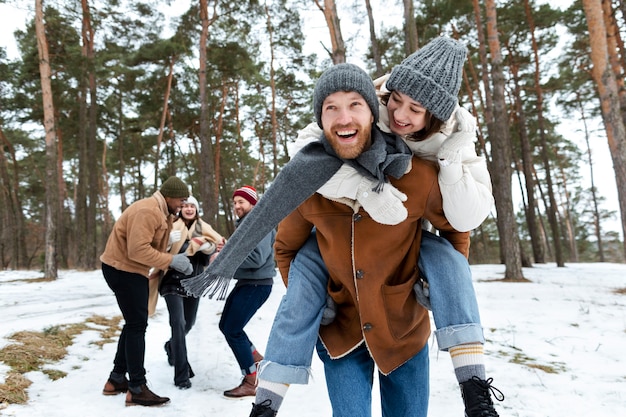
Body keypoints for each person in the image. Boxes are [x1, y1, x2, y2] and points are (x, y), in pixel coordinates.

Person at [253, 36, 502, 417]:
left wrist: (434, 286)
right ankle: (267, 401)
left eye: (355, 106)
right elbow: (285, 249)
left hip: (402, 329)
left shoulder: (419, 175)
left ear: (371, 113)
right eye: (332, 109)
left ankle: (473, 382)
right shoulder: (311, 182)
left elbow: (455, 231)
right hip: (342, 332)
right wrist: (313, 300)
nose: (345, 117)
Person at [100, 175, 193, 407]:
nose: (183, 205)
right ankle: (137, 387)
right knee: (137, 325)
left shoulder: (163, 213)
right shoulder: (148, 211)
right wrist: (171, 261)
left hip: (132, 270)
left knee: (134, 322)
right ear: (169, 196)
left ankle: (117, 379)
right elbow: (137, 250)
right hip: (123, 269)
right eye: (181, 200)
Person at [160, 195, 224, 389]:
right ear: (181, 209)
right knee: (178, 324)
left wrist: (206, 247)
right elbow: (159, 249)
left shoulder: (203, 230)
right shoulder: (171, 226)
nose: (188, 209)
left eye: (192, 206)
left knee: (188, 324)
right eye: (185, 205)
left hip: (194, 283)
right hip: (172, 281)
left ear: (197, 210)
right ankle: (181, 376)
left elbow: (208, 258)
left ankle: (171, 346)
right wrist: (169, 242)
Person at [218, 186, 275, 398]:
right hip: (247, 283)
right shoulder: (246, 224)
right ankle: (258, 361)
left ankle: (251, 380)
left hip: (257, 284)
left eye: (241, 202)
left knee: (233, 329)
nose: (237, 207)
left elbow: (257, 258)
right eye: (234, 203)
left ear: (253, 203)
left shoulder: (258, 222)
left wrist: (226, 262)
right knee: (226, 325)